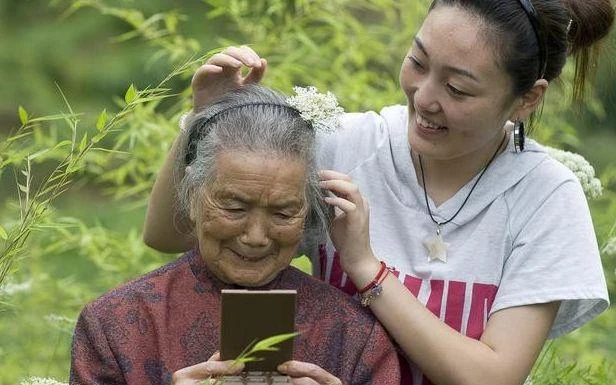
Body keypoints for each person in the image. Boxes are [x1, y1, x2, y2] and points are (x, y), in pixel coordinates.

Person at [143, 1, 615, 384]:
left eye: (457, 88)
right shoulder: (341, 143)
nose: (424, 97)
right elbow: (171, 233)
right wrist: (204, 119)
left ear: (528, 98)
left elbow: (491, 376)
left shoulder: (546, 195)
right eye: (418, 63)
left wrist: (367, 269)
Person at [70, 85, 401, 385]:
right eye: (234, 208)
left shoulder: (355, 338)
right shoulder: (115, 325)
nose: (256, 237)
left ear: (308, 210)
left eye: (283, 213)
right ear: (193, 196)